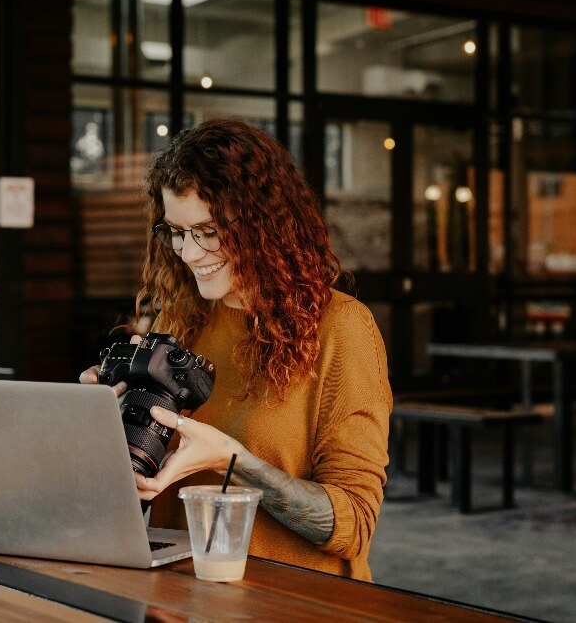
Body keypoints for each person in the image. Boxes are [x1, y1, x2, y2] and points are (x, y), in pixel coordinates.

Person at [79, 118, 392, 581]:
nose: (188, 252)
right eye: (177, 232)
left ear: (263, 225)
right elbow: (139, 502)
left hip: (295, 604)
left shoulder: (342, 330)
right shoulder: (181, 323)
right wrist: (104, 431)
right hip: (178, 596)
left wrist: (232, 460)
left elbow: (353, 525)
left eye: (207, 231)